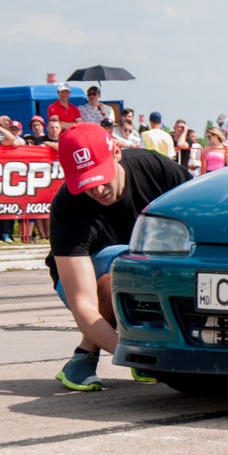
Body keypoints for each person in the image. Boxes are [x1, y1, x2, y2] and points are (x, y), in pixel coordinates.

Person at [47, 123, 193, 391]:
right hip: (97, 269)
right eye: (85, 183)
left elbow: (203, 208)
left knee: (145, 263)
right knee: (124, 265)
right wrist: (133, 356)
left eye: (101, 177)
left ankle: (83, 355)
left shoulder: (156, 168)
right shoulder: (67, 207)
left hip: (146, 263)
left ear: (116, 152)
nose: (97, 189)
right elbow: (84, 306)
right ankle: (101, 354)